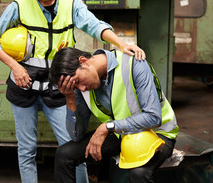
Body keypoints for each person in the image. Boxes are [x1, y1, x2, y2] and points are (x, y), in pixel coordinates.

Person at [0, 0, 145, 183]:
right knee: (27, 150)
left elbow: (94, 25)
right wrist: (14, 66)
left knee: (72, 148)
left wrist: (121, 43)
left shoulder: (72, 5)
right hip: (23, 86)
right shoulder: (18, 7)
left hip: (59, 86)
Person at [49, 47, 179, 183]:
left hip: (157, 133)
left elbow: (153, 117)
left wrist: (107, 127)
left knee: (139, 173)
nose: (81, 88)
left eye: (77, 82)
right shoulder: (81, 87)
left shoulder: (134, 64)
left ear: (84, 61)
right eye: (74, 86)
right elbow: (77, 136)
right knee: (64, 154)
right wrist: (70, 99)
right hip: (122, 133)